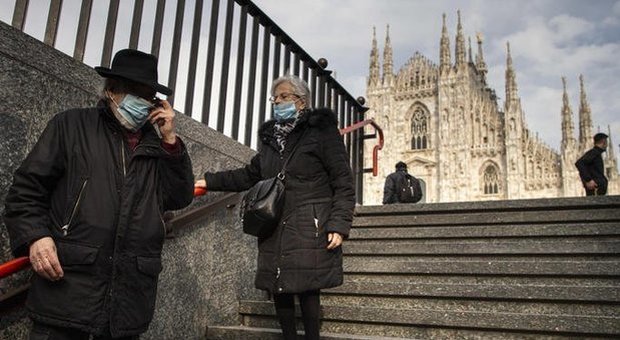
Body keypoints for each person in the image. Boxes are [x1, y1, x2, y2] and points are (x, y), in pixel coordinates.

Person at [3, 49, 194, 339]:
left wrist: (170, 141)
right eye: (134, 92)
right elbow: (27, 189)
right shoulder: (70, 126)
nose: (141, 103)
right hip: (68, 294)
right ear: (111, 90)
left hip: (128, 303)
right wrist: (35, 236)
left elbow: (180, 197)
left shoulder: (158, 147)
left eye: (148, 96)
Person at [194, 74, 355, 340]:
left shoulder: (321, 133)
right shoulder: (271, 143)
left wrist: (339, 224)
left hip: (309, 220)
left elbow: (343, 181)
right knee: (279, 285)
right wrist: (207, 181)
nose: (278, 102)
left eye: (284, 97)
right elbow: (246, 175)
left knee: (307, 286)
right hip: (275, 222)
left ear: (301, 102)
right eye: (275, 98)